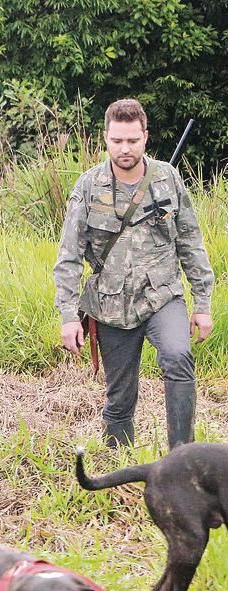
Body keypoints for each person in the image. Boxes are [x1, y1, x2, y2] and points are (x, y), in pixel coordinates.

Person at [54, 98, 215, 450]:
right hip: (111, 306)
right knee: (120, 399)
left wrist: (202, 303)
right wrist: (68, 316)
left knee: (177, 357)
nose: (124, 149)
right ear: (106, 139)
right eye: (117, 141)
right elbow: (68, 257)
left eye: (132, 140)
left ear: (145, 137)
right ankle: (119, 468)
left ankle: (182, 459)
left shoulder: (167, 178)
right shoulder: (88, 186)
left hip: (162, 296)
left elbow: (190, 241)